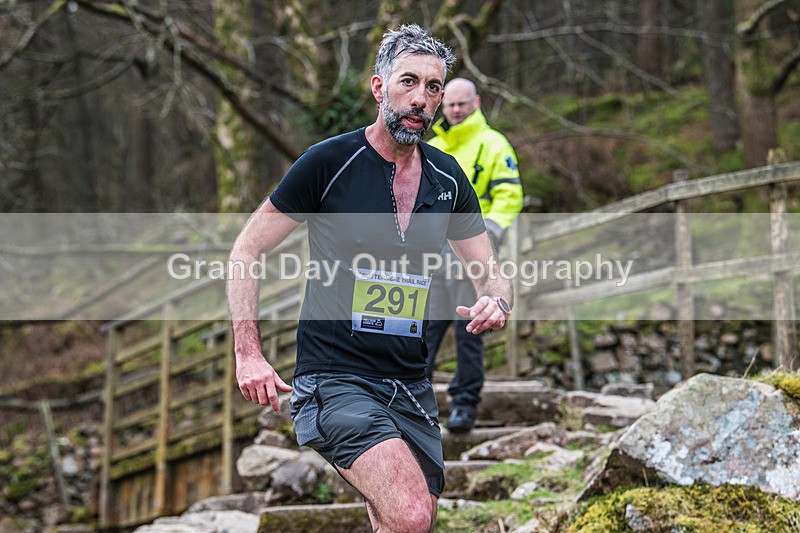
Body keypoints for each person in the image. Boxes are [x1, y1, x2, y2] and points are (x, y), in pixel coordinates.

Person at [227, 24, 513, 533]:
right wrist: (247, 352)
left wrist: (497, 301)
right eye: (408, 82)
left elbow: (491, 274)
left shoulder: (448, 179)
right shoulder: (328, 163)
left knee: (400, 523)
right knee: (411, 514)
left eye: (432, 88)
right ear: (380, 88)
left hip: (409, 382)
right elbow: (246, 249)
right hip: (335, 378)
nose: (421, 98)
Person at [425, 78, 523, 432]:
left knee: (469, 332)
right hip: (433, 256)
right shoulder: (431, 147)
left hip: (472, 258)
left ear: (476, 103)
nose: (454, 110)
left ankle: (464, 406)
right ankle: (413, 405)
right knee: (424, 330)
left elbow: (510, 196)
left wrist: (488, 234)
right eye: (449, 104)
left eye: (461, 104)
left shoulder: (493, 145)